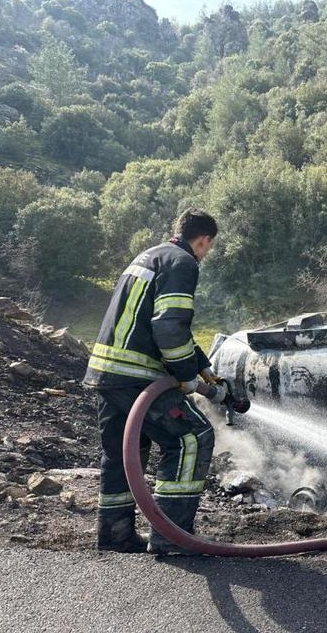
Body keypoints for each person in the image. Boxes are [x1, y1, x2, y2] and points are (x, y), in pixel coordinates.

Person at [84, 208, 226, 554]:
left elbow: (162, 322)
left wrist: (202, 367)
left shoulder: (149, 257)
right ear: (203, 240)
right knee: (193, 438)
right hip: (137, 375)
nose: (206, 253)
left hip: (108, 372)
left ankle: (116, 535)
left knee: (123, 451)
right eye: (208, 247)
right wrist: (186, 376)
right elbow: (169, 325)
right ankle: (173, 537)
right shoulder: (183, 262)